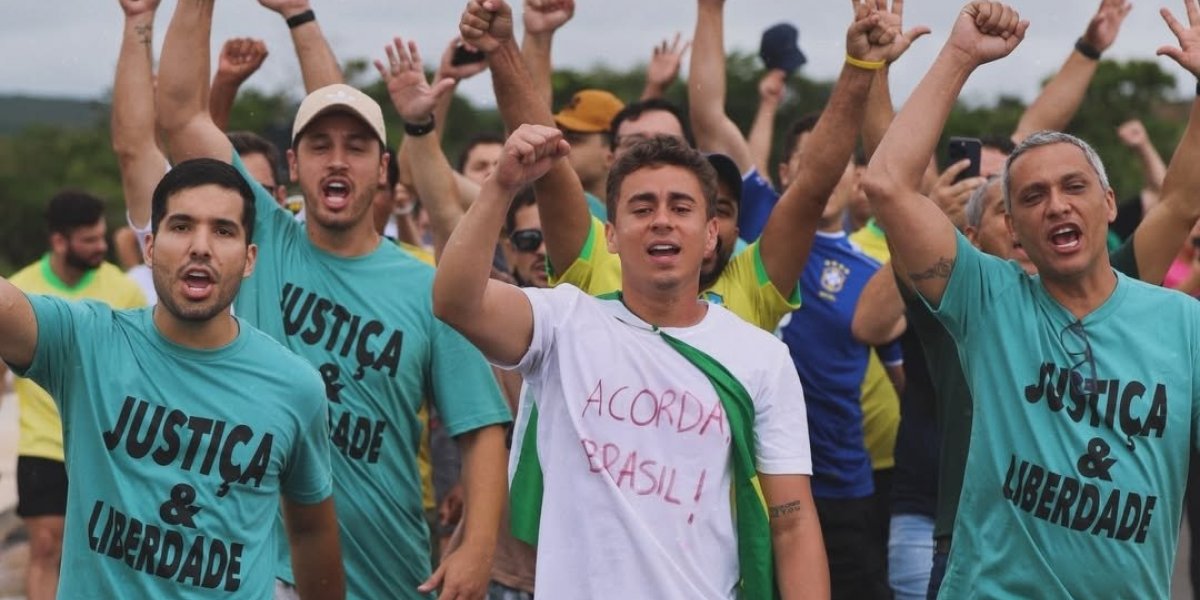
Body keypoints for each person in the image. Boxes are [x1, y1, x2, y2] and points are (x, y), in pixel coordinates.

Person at [154, 3, 512, 598]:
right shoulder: (265, 236)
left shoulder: (430, 286)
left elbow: (482, 428)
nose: (338, 159)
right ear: (293, 167)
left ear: (383, 169)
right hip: (258, 567)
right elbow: (180, 113)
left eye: (356, 147)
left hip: (387, 568)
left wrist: (477, 550)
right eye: (319, 146)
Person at [862, 1, 1200, 595]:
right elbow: (888, 184)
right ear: (1012, 228)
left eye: (1075, 187)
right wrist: (960, 55)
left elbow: (1182, 199)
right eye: (1033, 197)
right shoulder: (987, 302)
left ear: (1111, 204)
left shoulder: (1182, 322)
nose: (1057, 205)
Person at [433, 121, 828, 599]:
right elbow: (455, 301)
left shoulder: (761, 357)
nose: (661, 220)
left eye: (680, 208)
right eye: (642, 208)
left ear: (710, 237)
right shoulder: (562, 322)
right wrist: (501, 185)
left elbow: (793, 522)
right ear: (612, 236)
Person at [0, 158, 344, 598]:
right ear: (149, 247)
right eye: (181, 226)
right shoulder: (84, 343)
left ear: (250, 258)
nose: (201, 246)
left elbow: (312, 531)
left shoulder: (296, 386)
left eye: (223, 230)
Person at [8, 189, 146, 600]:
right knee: (45, 550)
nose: (101, 247)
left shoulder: (122, 290)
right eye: (89, 239)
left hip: (108, 449)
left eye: (102, 236)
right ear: (59, 241)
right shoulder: (21, 290)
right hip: (43, 445)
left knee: (114, 555)